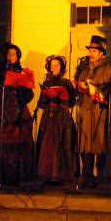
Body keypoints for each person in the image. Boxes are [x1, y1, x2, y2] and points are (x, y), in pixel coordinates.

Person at [0, 43, 35, 187]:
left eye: (14, 55)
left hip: (18, 113)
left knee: (19, 142)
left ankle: (17, 178)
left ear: (18, 57)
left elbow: (29, 95)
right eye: (9, 54)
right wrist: (3, 87)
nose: (11, 57)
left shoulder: (23, 72)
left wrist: (20, 88)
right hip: (1, 111)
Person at [73, 35, 111, 188]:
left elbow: (109, 90)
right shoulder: (84, 69)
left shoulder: (108, 69)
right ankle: (86, 176)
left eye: (95, 51)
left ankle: (101, 177)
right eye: (90, 50)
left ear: (102, 53)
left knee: (99, 143)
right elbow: (80, 86)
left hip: (99, 111)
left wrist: (96, 88)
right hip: (85, 109)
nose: (91, 54)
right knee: (84, 144)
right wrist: (79, 86)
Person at [35, 55, 78, 184]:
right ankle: (46, 174)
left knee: (62, 143)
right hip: (49, 116)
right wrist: (45, 95)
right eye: (52, 65)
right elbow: (41, 104)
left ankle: (61, 175)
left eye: (57, 65)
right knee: (47, 144)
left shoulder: (67, 83)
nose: (54, 68)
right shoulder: (47, 83)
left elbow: (72, 103)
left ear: (62, 67)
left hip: (62, 117)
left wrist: (62, 98)